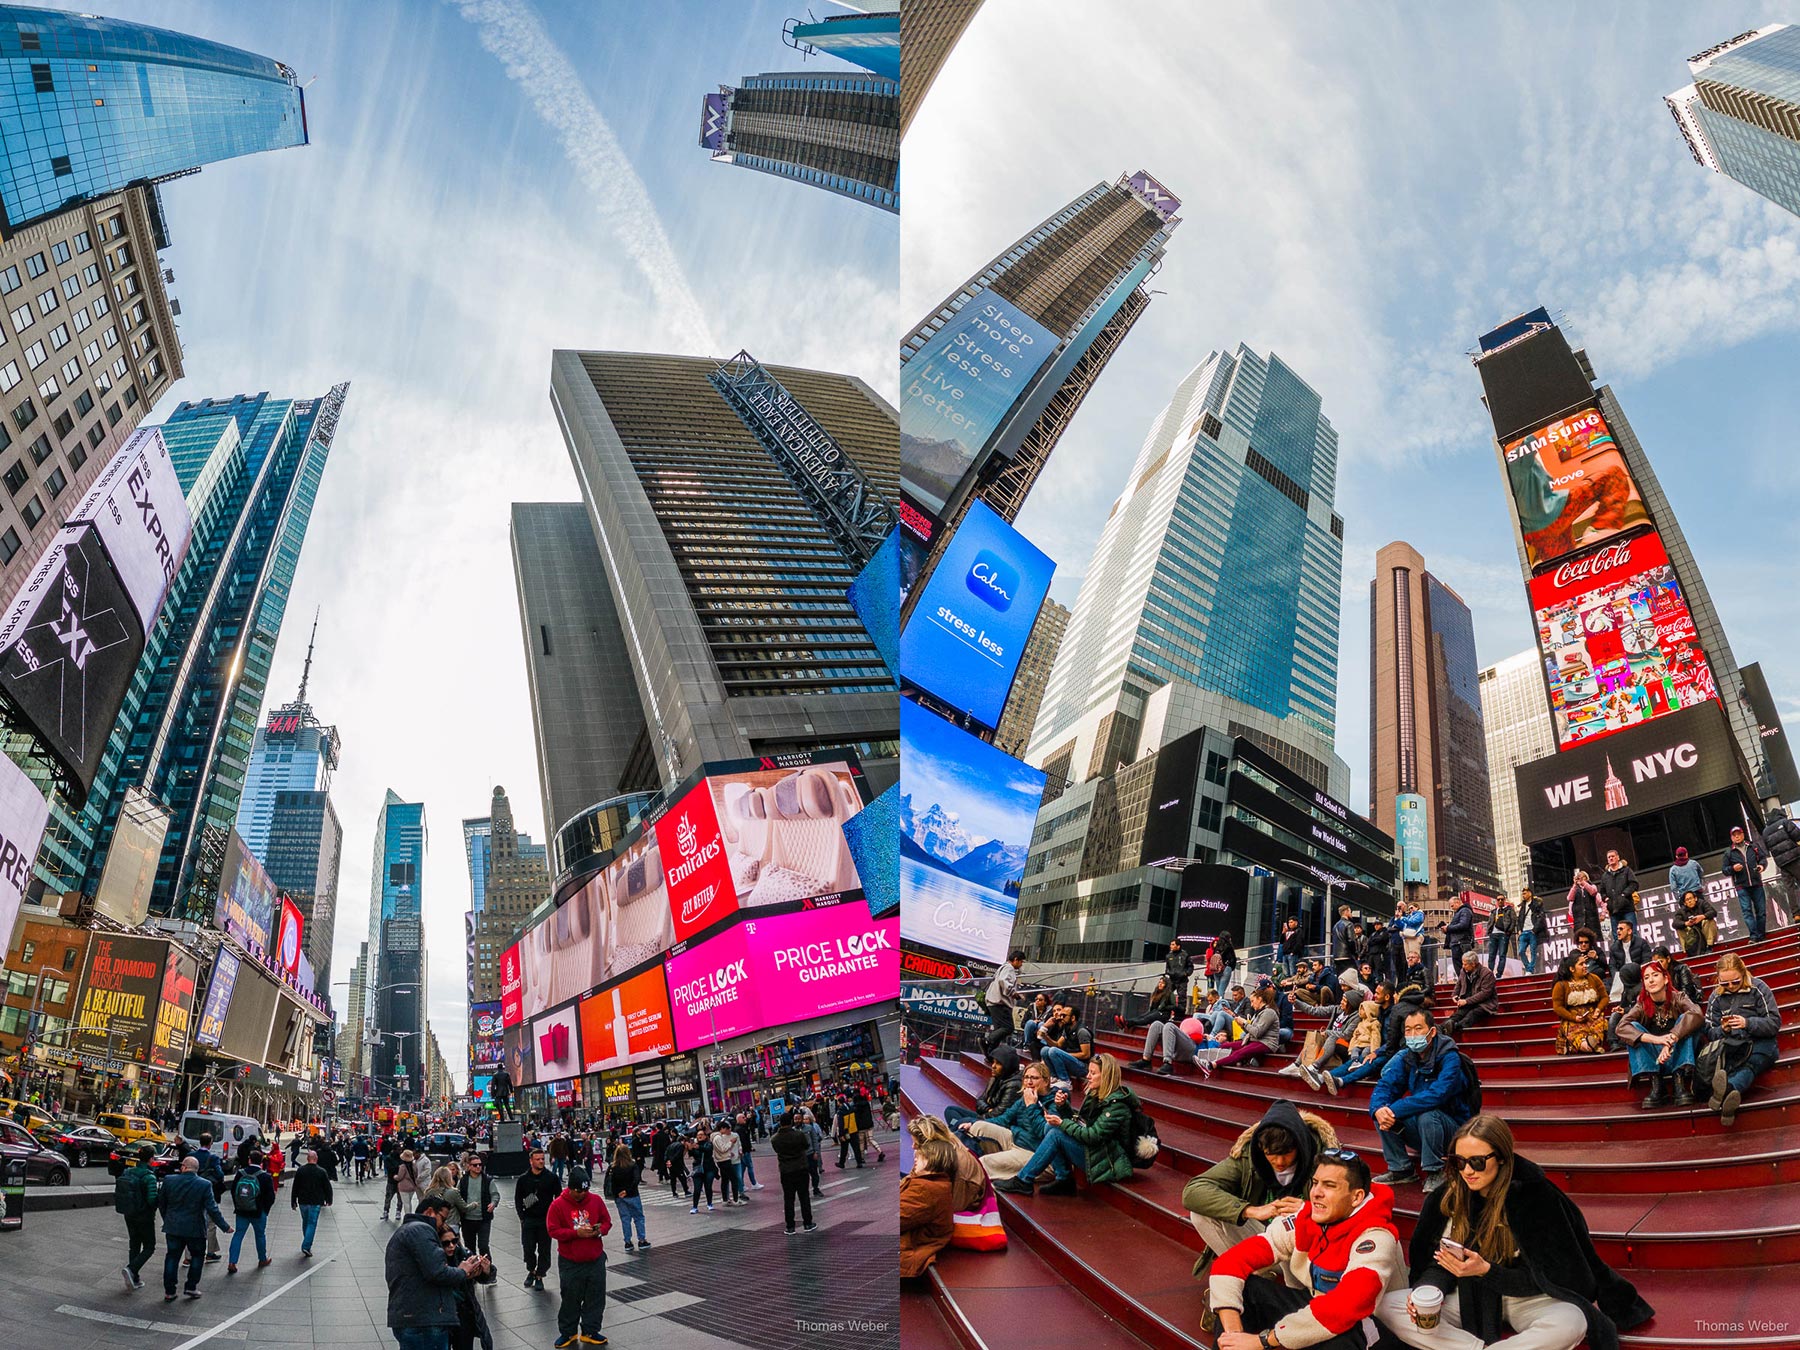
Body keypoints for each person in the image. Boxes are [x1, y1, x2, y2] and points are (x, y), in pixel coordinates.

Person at [1381, 1113, 1652, 1350]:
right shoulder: (1448, 1197)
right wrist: (1428, 1293)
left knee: (1571, 1320)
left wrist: (1487, 1271)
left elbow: (1553, 1276)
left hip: (1527, 1297)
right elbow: (1434, 1264)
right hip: (1467, 1294)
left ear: (1500, 1158)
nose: (1466, 1171)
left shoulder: (1537, 1198)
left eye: (1476, 1161)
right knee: (1389, 1305)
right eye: (1458, 1161)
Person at [1203, 1150, 1403, 1350]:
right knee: (1247, 1289)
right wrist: (1233, 1336)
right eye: (1315, 1183)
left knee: (1342, 1336)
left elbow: (1348, 1304)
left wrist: (1263, 1341)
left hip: (1371, 1326)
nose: (1316, 1192)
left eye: (1329, 1186)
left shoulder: (1376, 1237)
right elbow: (1231, 1262)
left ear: (1357, 1197)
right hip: (1319, 1310)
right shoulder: (1306, 1219)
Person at [1181, 1100, 1335, 1273]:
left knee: (1283, 1224)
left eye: (1286, 1154)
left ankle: (1253, 1281)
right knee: (1200, 1213)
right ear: (1261, 1148)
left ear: (1300, 1145)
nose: (1279, 1162)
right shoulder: (1249, 1157)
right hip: (1263, 1240)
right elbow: (1193, 1190)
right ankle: (1251, 1276)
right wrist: (1250, 1210)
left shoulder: (1326, 1159)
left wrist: (1307, 1209)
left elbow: (1348, 1206)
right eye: (1271, 1154)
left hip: (1305, 1247)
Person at [993, 1053, 1141, 1197]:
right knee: (1052, 1128)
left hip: (1110, 1161)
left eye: (1093, 1073)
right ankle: (1063, 1179)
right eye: (1088, 1071)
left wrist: (1062, 1123)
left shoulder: (1117, 1106)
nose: (1087, 1076)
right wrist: (1063, 1107)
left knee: (1056, 1131)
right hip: (1097, 1151)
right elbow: (1081, 1122)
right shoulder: (1096, 1095)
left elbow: (1093, 1136)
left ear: (1106, 1076)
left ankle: (1024, 1180)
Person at [1370, 1010, 1471, 1193]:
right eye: (1408, 1030)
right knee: (1382, 1114)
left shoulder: (1449, 1057)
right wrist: (1378, 1108)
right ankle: (1401, 1169)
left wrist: (1395, 1109)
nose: (1412, 1035)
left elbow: (1437, 1095)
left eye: (1418, 1028)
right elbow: (1386, 1085)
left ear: (1432, 1032)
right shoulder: (1406, 1057)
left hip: (1454, 1129)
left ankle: (1435, 1171)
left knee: (1427, 1114)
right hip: (1425, 1130)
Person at [386, 1194, 483, 1350]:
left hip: (413, 1317)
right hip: (424, 1320)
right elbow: (437, 1272)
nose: (442, 1225)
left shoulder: (407, 1231)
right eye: (443, 1219)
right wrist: (462, 1271)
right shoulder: (421, 1229)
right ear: (430, 1212)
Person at [1701, 951, 1780, 1127]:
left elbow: (1774, 1023)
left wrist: (1747, 1023)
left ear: (1743, 973)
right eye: (1725, 983)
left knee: (1752, 1063)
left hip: (1761, 1042)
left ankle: (1727, 1090)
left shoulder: (1758, 988)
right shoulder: (1715, 997)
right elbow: (1710, 1032)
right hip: (1733, 1045)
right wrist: (1723, 1029)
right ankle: (1728, 1097)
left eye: (1735, 981)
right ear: (1718, 979)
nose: (1730, 986)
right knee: (1734, 1062)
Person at [1616, 959, 1703, 1108]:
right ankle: (1657, 1084)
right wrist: (1657, 1040)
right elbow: (1621, 1027)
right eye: (1646, 977)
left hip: (1676, 1052)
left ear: (1666, 978)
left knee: (1686, 1018)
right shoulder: (1641, 1004)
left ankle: (1679, 1082)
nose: (1651, 980)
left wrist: (1671, 1038)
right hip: (1655, 1058)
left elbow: (1697, 1013)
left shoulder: (1678, 997)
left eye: (1655, 975)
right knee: (1633, 1027)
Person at [546, 1167, 612, 1350]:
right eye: (579, 1191)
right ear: (570, 1188)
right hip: (571, 1262)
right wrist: (576, 1233)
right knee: (570, 1297)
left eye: (585, 1190)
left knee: (596, 1297)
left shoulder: (596, 1200)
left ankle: (590, 1331)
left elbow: (607, 1221)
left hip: (595, 1258)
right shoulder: (558, 1205)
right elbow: (553, 1230)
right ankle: (568, 1332)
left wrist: (600, 1230)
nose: (582, 1194)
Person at [959, 1061, 1055, 1180]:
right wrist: (972, 1123)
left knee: (985, 1163)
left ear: (1046, 1081)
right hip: (1016, 1139)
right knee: (977, 1127)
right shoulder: (1024, 1098)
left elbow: (1044, 1133)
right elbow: (1004, 1119)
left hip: (1035, 1152)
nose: (1029, 1082)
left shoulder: (1055, 1103)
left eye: (1034, 1078)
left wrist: (1031, 1106)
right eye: (1026, 1077)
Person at [159, 1156, 232, 1303]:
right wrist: (225, 1226)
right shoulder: (204, 1185)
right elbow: (212, 1208)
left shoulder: (169, 1180)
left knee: (172, 1258)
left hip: (173, 1227)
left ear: (184, 1167)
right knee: (197, 1257)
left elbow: (162, 1203)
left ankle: (169, 1291)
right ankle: (191, 1287)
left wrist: (167, 1218)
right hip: (195, 1228)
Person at [900, 1136, 958, 1280]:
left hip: (911, 1246)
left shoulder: (925, 1188)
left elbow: (901, 1217)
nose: (915, 1161)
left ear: (933, 1160)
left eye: (920, 1158)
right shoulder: (936, 1183)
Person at [1289, 989, 1363, 1086]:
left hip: (1346, 1046)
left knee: (1331, 1037)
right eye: (1342, 999)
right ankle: (1297, 1064)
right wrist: (1296, 1002)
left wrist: (1328, 1032)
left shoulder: (1356, 1017)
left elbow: (1346, 1035)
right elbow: (1314, 1010)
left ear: (1351, 1004)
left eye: (1344, 1001)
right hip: (1331, 1041)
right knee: (1316, 1035)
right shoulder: (1337, 1009)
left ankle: (1314, 1067)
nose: (1341, 1002)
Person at [943, 1044, 1021, 1134]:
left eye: (998, 1063)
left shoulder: (1014, 1085)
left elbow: (998, 1115)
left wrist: (980, 1116)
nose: (993, 1066)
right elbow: (979, 1102)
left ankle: (955, 1129)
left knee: (964, 1120)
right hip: (985, 1116)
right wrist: (988, 1109)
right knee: (950, 1111)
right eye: (993, 1062)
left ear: (1007, 1066)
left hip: (994, 1124)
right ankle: (958, 1127)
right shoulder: (995, 1078)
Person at [1203, 986, 1280, 1077]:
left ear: (1259, 999)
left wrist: (1244, 1024)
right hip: (1253, 1040)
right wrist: (1241, 1024)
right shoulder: (1259, 1012)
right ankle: (1207, 1051)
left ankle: (1212, 1065)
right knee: (1226, 1045)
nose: (1251, 1005)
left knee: (1240, 1052)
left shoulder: (1269, 1012)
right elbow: (1251, 1031)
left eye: (1252, 1001)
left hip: (1266, 1043)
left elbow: (1257, 1032)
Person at [116, 1143, 162, 1291]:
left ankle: (134, 1278)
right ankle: (131, 1269)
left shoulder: (128, 1172)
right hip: (144, 1216)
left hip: (129, 1213)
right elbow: (152, 1200)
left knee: (134, 1244)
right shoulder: (149, 1176)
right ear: (151, 1159)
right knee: (149, 1246)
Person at [514, 1145, 560, 1291]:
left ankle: (540, 1275)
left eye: (542, 1159)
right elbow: (517, 1198)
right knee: (528, 1248)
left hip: (546, 1220)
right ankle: (531, 1270)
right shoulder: (523, 1179)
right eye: (537, 1159)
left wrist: (554, 1216)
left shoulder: (551, 1178)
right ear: (531, 1161)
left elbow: (558, 1198)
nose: (541, 1161)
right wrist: (522, 1217)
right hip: (529, 1219)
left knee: (544, 1250)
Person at [1322, 995, 1388, 1094]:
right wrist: (1352, 1047)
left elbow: (1376, 1038)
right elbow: (1354, 1036)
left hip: (1373, 1047)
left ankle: (1338, 1080)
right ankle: (1325, 1077)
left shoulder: (1375, 1023)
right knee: (1354, 1059)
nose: (1375, 995)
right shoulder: (1361, 1023)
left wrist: (1375, 1051)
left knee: (1366, 1059)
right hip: (1361, 1045)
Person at [227, 1151, 276, 1273]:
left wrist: (238, 1205)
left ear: (249, 1160)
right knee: (260, 1235)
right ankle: (262, 1259)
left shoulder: (240, 1173)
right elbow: (271, 1197)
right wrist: (265, 1209)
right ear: (261, 1162)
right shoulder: (265, 1176)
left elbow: (233, 1191)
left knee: (238, 1235)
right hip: (258, 1212)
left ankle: (232, 1262)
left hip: (241, 1211)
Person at [1552, 952, 1610, 1055]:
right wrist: (1574, 1018)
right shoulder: (1561, 985)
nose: (1585, 966)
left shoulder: (1594, 978)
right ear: (1572, 969)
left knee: (1597, 1028)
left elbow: (1605, 997)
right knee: (1578, 1035)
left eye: (1585, 963)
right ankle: (1589, 1046)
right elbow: (1558, 1008)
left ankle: (1588, 1045)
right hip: (1573, 1018)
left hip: (1593, 1016)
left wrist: (1598, 1009)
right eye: (1581, 964)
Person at [770, 1111, 817, 1235]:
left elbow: (777, 1150)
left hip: (786, 1171)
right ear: (791, 1122)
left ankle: (790, 1226)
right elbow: (806, 1146)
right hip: (801, 1168)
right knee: (804, 1197)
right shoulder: (799, 1135)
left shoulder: (775, 1139)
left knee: (788, 1199)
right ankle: (808, 1223)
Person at [1724, 823, 1769, 943]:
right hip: (1741, 886)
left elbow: (1763, 859)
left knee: (1761, 911)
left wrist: (1761, 866)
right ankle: (1754, 936)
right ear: (1732, 838)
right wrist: (1733, 868)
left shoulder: (1753, 846)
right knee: (1747, 911)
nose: (1737, 837)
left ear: (1743, 835)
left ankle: (1761, 935)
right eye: (1735, 835)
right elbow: (1725, 870)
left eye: (1739, 834)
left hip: (1756, 883)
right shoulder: (1729, 853)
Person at [457, 1154, 498, 1273]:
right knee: (470, 1247)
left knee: (483, 1246)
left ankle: (489, 1271)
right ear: (469, 1166)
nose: (478, 1167)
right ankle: (473, 1272)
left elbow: (495, 1194)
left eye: (480, 1165)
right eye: (475, 1165)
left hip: (483, 1219)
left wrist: (493, 1203)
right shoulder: (463, 1181)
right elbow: (457, 1195)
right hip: (467, 1219)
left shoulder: (487, 1180)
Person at [290, 1147, 333, 1259]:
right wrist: (329, 1199)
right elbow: (327, 1187)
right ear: (316, 1159)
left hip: (303, 1201)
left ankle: (306, 1240)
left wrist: (293, 1201)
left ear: (307, 1158)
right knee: (312, 1223)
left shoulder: (301, 1170)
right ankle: (306, 1245)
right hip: (316, 1201)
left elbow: (295, 1187)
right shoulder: (321, 1171)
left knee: (306, 1221)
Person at [1445, 951, 1499, 1038]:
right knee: (1458, 1015)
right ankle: (1444, 1027)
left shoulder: (1487, 973)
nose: (1463, 966)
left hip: (1485, 1004)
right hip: (1468, 1002)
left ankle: (1455, 1027)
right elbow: (1459, 983)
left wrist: (1466, 1001)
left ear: (1473, 964)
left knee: (1472, 1015)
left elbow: (1485, 993)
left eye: (1465, 964)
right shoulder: (1463, 971)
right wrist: (1454, 994)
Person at [984, 950, 1026, 1051]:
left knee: (999, 1031)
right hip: (1000, 1003)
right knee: (1009, 1028)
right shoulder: (1009, 968)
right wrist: (1014, 993)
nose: (1021, 965)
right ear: (1016, 960)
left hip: (993, 1002)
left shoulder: (1003, 967)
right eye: (1021, 962)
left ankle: (990, 1053)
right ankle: (987, 1040)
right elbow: (1004, 981)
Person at [1761, 802, 1800, 889]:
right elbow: (1797, 836)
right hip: (1796, 857)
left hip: (1782, 863)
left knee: (1791, 887)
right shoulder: (1785, 822)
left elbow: (1767, 848)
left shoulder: (1765, 832)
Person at [1675, 888, 1719, 956]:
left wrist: (1702, 917)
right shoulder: (1682, 911)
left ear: (1695, 898)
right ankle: (1687, 950)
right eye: (1687, 900)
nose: (1689, 901)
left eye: (1691, 898)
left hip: (1704, 931)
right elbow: (1675, 923)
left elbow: (1713, 912)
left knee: (1709, 921)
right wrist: (1686, 923)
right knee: (1680, 929)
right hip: (1693, 935)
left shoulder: (1702, 903)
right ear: (1684, 903)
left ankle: (1709, 946)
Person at [712, 1119, 742, 1206]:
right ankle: (735, 1200)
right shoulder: (718, 1138)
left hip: (721, 1160)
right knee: (734, 1179)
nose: (728, 1131)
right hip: (724, 1160)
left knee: (725, 1180)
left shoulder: (716, 1137)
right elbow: (723, 1149)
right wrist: (730, 1143)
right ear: (723, 1128)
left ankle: (725, 1199)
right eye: (727, 1129)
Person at [1565, 871, 1602, 943]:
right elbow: (1569, 898)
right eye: (1579, 878)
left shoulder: (1592, 886)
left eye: (1582, 877)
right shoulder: (1575, 889)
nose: (1580, 879)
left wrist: (1584, 883)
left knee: (1593, 940)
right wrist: (1575, 885)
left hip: (1591, 919)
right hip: (1579, 921)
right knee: (1580, 940)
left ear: (1586, 878)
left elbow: (1593, 892)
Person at [1483, 899, 1516, 976]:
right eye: (1498, 899)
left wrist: (1508, 932)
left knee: (1502, 955)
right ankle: (1490, 973)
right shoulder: (1494, 911)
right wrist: (1489, 932)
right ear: (1497, 901)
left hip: (1503, 935)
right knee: (1491, 955)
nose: (1500, 901)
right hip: (1493, 935)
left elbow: (1514, 921)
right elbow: (1490, 922)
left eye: (1502, 899)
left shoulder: (1509, 910)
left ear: (1504, 900)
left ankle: (1499, 974)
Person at [689, 1125, 719, 1211]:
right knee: (697, 1189)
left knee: (708, 1187)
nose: (700, 1136)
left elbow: (708, 1151)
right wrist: (690, 1149)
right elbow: (692, 1155)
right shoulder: (695, 1145)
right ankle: (695, 1207)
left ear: (705, 1136)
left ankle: (709, 1203)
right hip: (698, 1169)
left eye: (702, 1134)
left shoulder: (708, 1144)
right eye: (698, 1135)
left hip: (709, 1168)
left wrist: (699, 1147)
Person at [1164, 937, 1195, 1008]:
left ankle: (1179, 1015)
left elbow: (1190, 967)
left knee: (1182, 998)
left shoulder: (1185, 955)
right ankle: (1166, 1011)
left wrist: (1186, 974)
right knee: (1166, 995)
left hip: (1182, 980)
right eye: (1171, 944)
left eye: (1173, 944)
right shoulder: (1169, 956)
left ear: (1178, 946)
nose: (1170, 946)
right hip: (1171, 979)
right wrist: (1168, 972)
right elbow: (1167, 967)